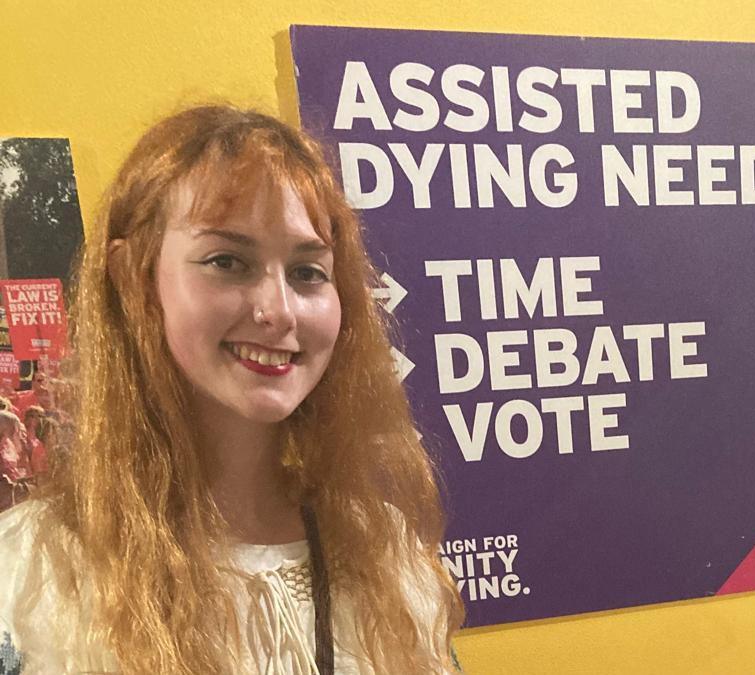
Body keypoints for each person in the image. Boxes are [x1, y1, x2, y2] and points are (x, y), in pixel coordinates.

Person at [0, 106, 463, 673]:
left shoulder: (386, 553)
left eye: (307, 272)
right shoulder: (29, 576)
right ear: (134, 279)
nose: (279, 310)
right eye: (227, 261)